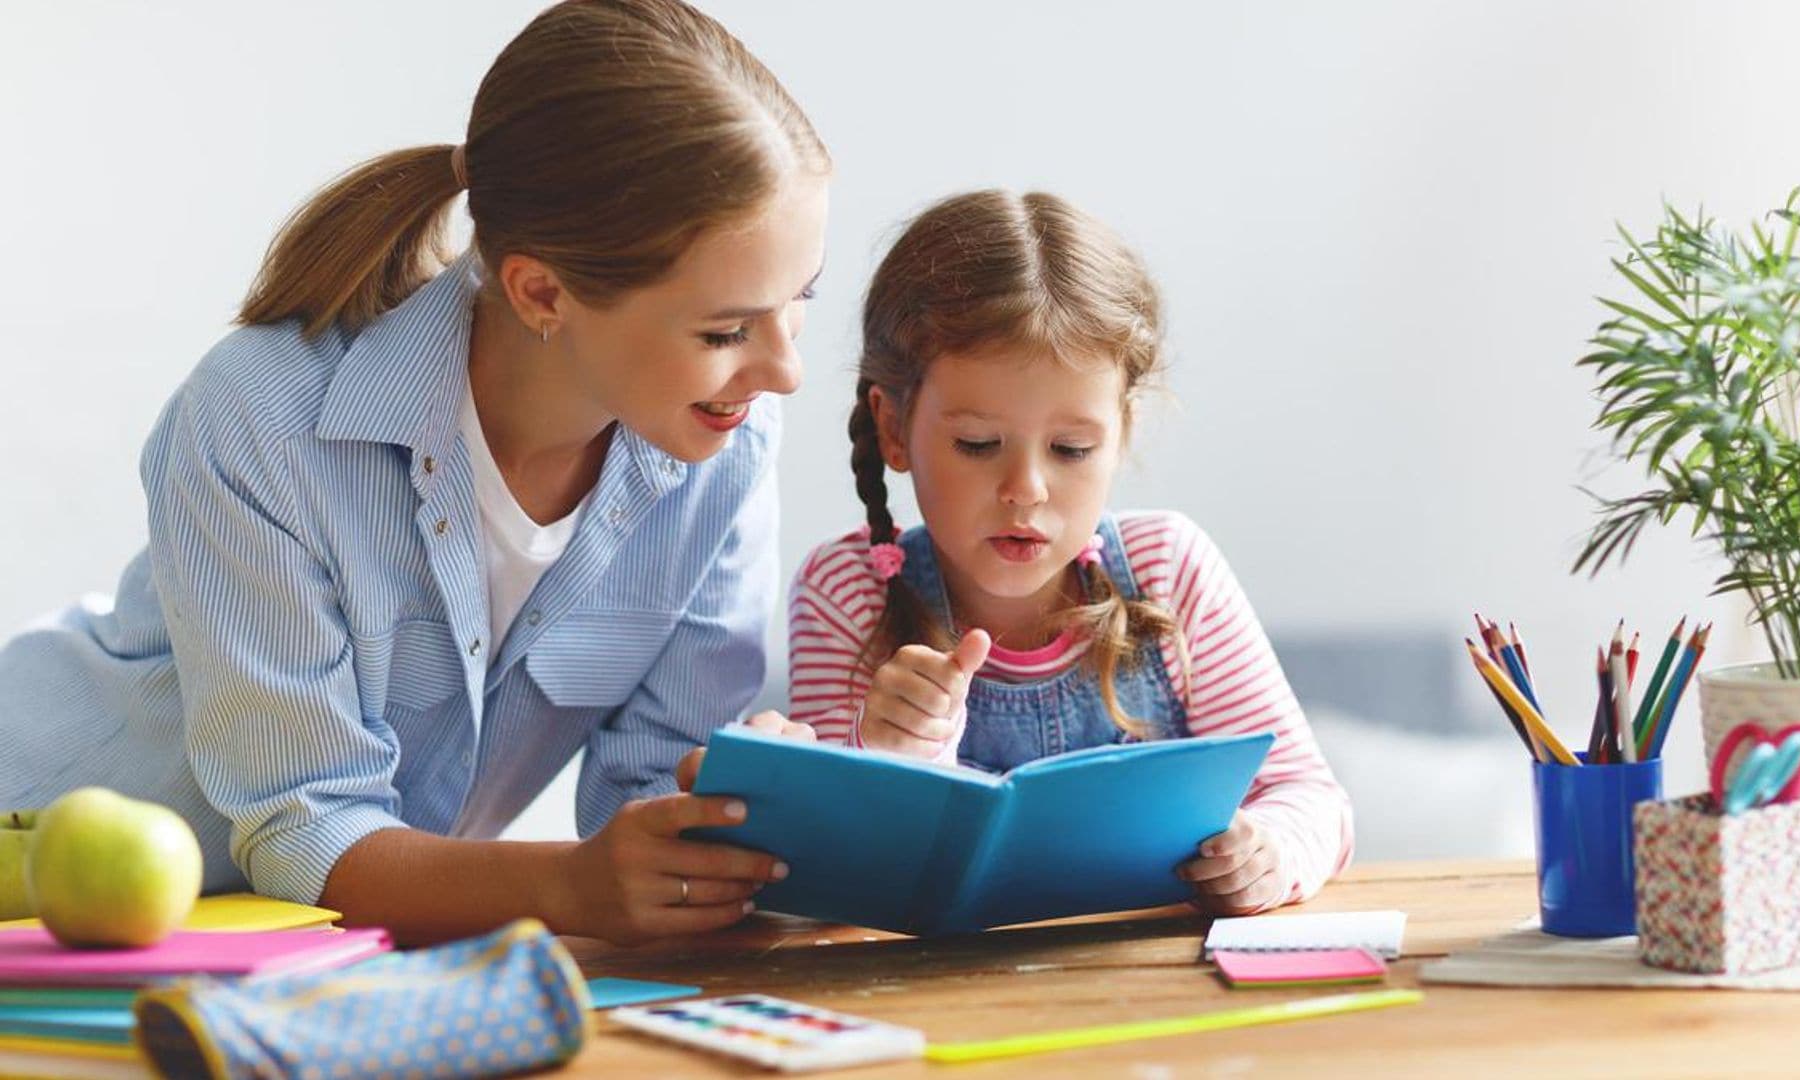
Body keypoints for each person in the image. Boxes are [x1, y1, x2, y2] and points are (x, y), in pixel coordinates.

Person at [0, 0, 827, 945]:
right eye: (725, 331)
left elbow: (642, 805)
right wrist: (566, 886)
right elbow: (306, 831)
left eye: (798, 303)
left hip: (293, 956)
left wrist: (729, 809)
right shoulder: (263, 416)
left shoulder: (727, 445)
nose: (782, 372)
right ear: (543, 291)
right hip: (41, 882)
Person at [788, 190, 1352, 914]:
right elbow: (831, 872)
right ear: (893, 428)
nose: (1025, 489)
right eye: (978, 445)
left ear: (1123, 433)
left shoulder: (1167, 569)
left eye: (1071, 449)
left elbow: (1309, 794)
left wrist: (1269, 857)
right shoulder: (847, 592)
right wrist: (900, 750)